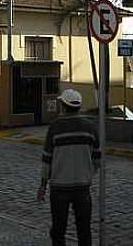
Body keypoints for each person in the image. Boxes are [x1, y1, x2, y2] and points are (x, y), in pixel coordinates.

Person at [37, 89, 100, 246]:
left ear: (63, 106)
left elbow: (47, 158)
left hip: (59, 187)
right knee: (84, 229)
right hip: (83, 187)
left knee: (58, 229)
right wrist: (87, 173)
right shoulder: (90, 127)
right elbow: (97, 158)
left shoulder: (55, 127)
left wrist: (43, 185)